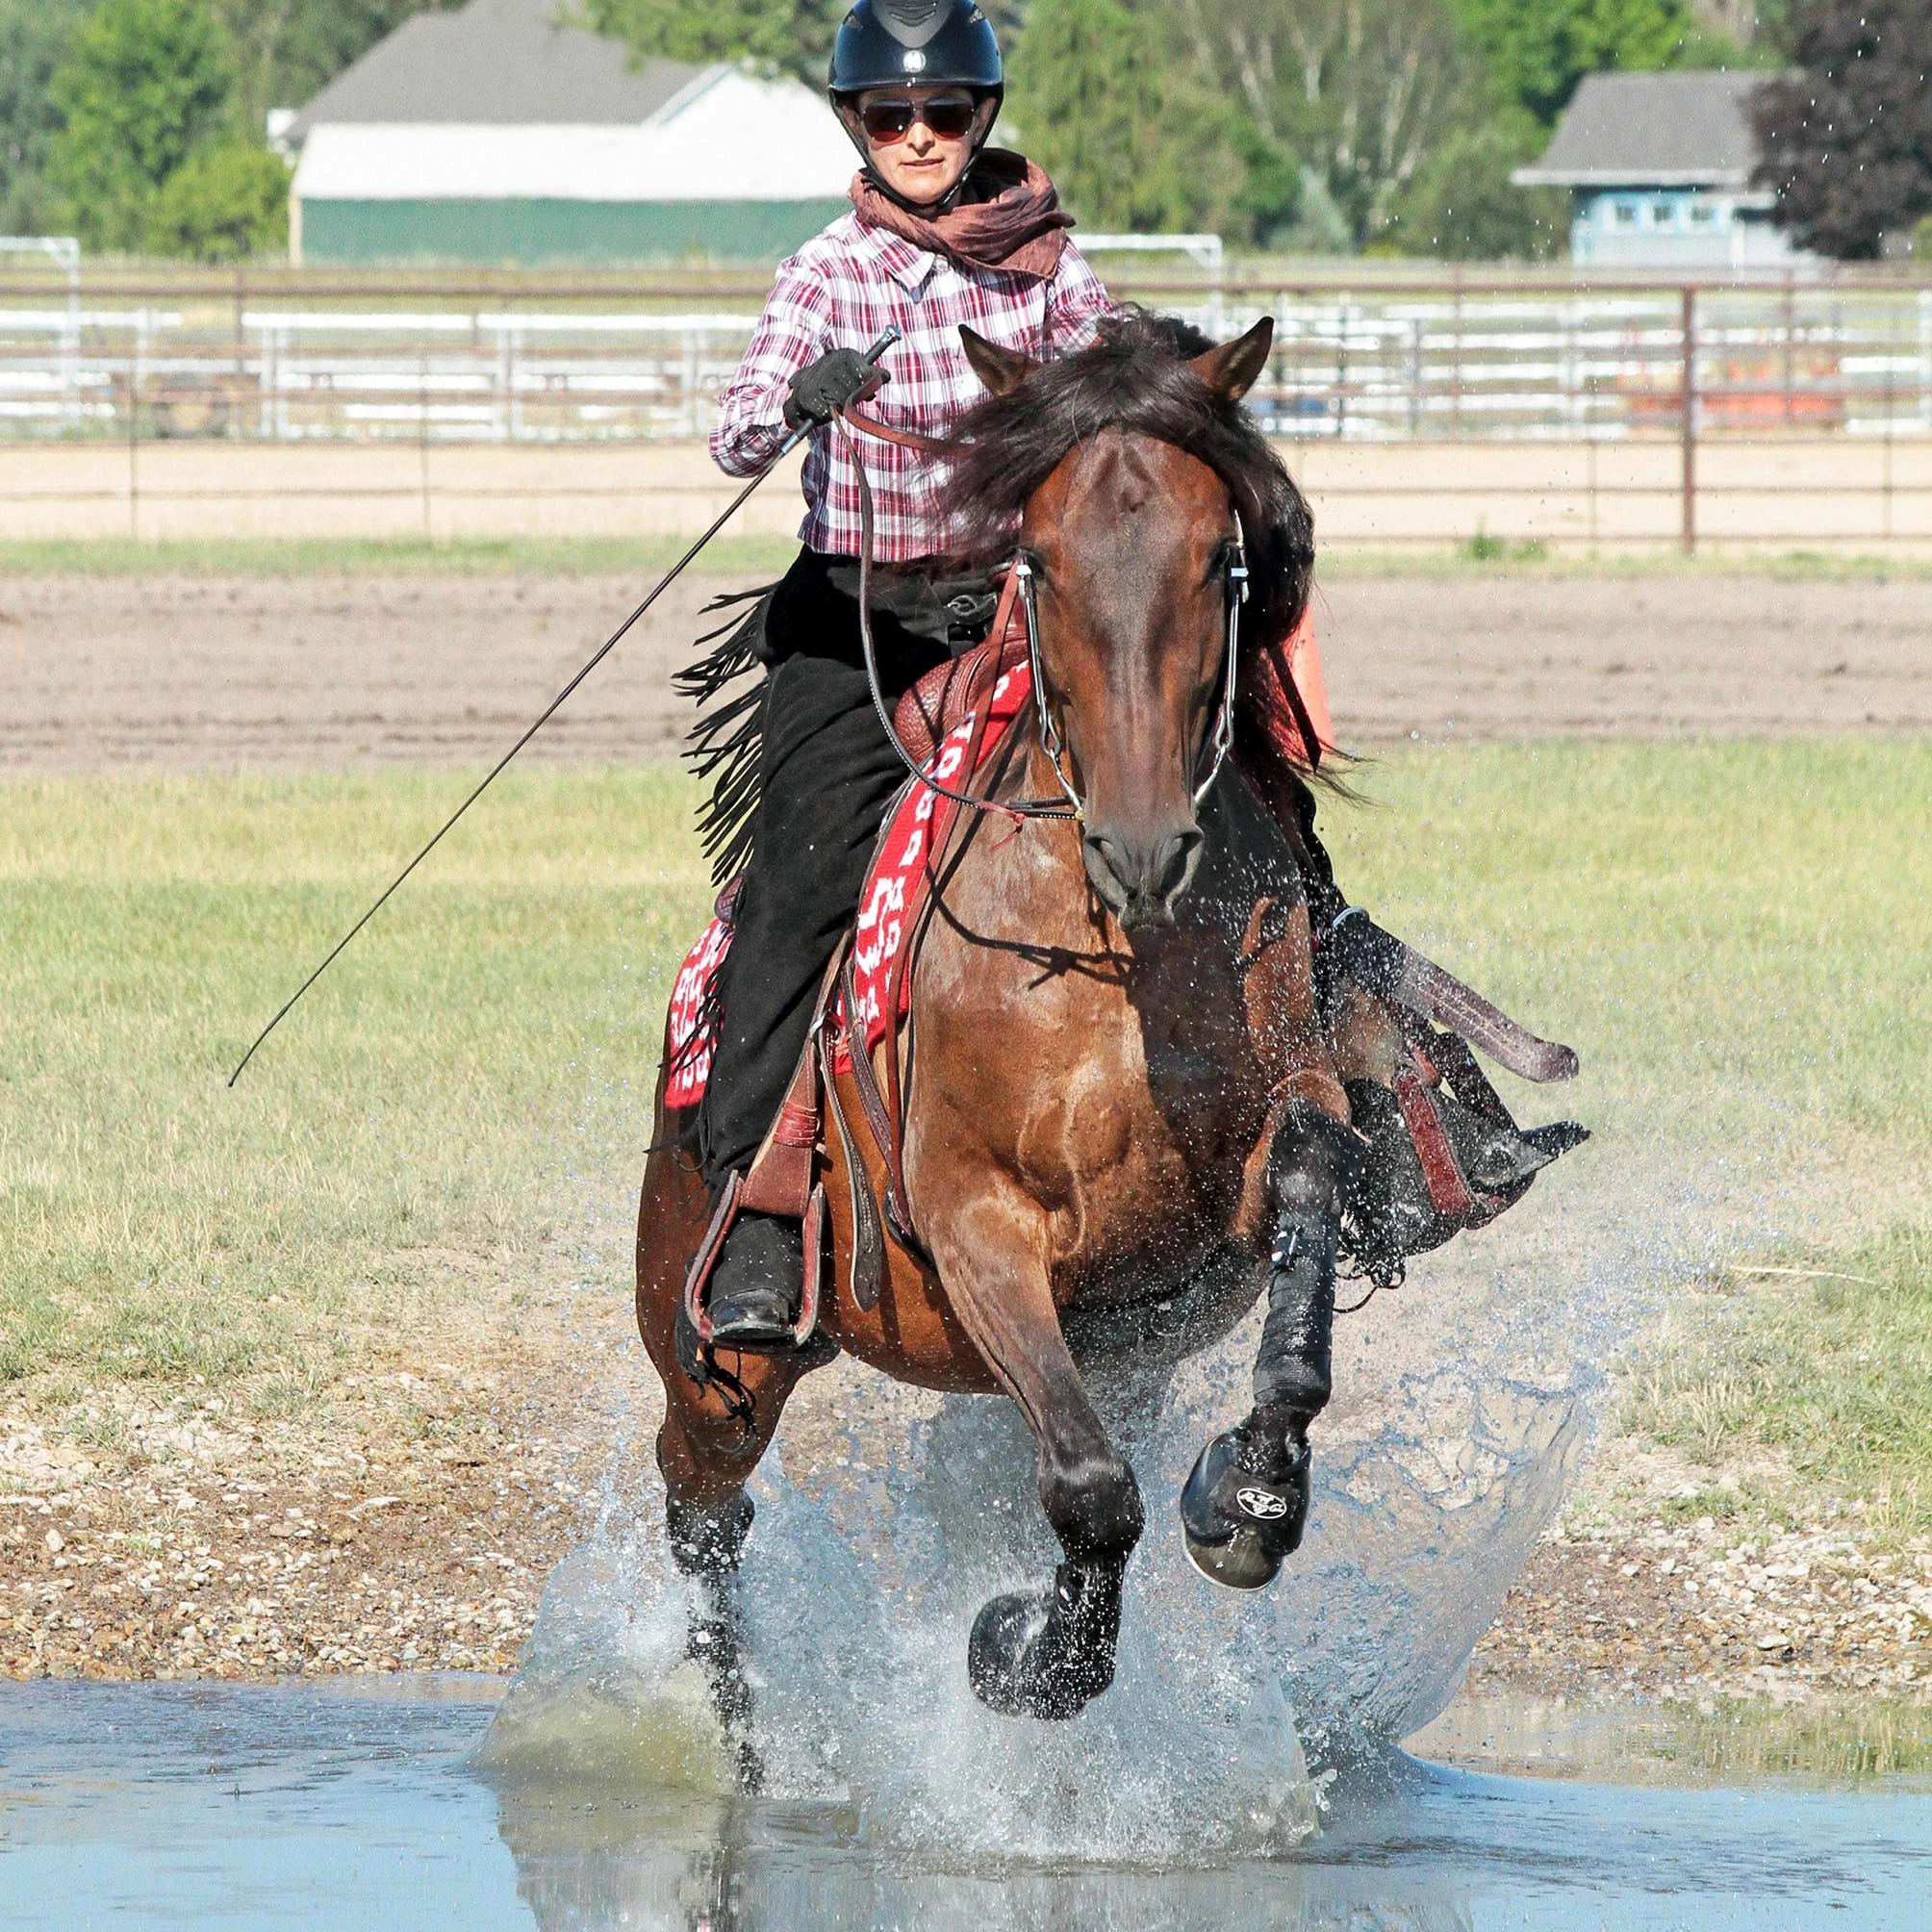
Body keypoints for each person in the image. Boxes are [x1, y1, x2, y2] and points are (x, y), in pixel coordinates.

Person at [691, 0, 1118, 1342]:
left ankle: (1400, 1098)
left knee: (1217, 784)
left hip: (1017, 626)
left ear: (983, 118)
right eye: (892, 118)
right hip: (857, 633)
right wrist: (795, 397)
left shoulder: (1048, 264)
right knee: (794, 912)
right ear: (855, 127)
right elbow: (733, 433)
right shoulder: (829, 271)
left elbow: (1114, 386)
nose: (921, 138)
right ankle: (755, 1219)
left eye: (943, 115)